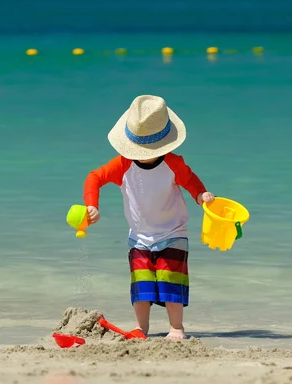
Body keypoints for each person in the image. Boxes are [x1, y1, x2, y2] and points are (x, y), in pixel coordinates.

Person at [82, 95, 214, 340]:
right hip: (139, 237)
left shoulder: (174, 163)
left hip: (173, 232)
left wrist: (201, 195)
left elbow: (191, 181)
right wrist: (92, 206)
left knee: (170, 282)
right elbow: (94, 177)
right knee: (141, 287)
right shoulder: (122, 164)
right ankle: (141, 328)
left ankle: (176, 328)